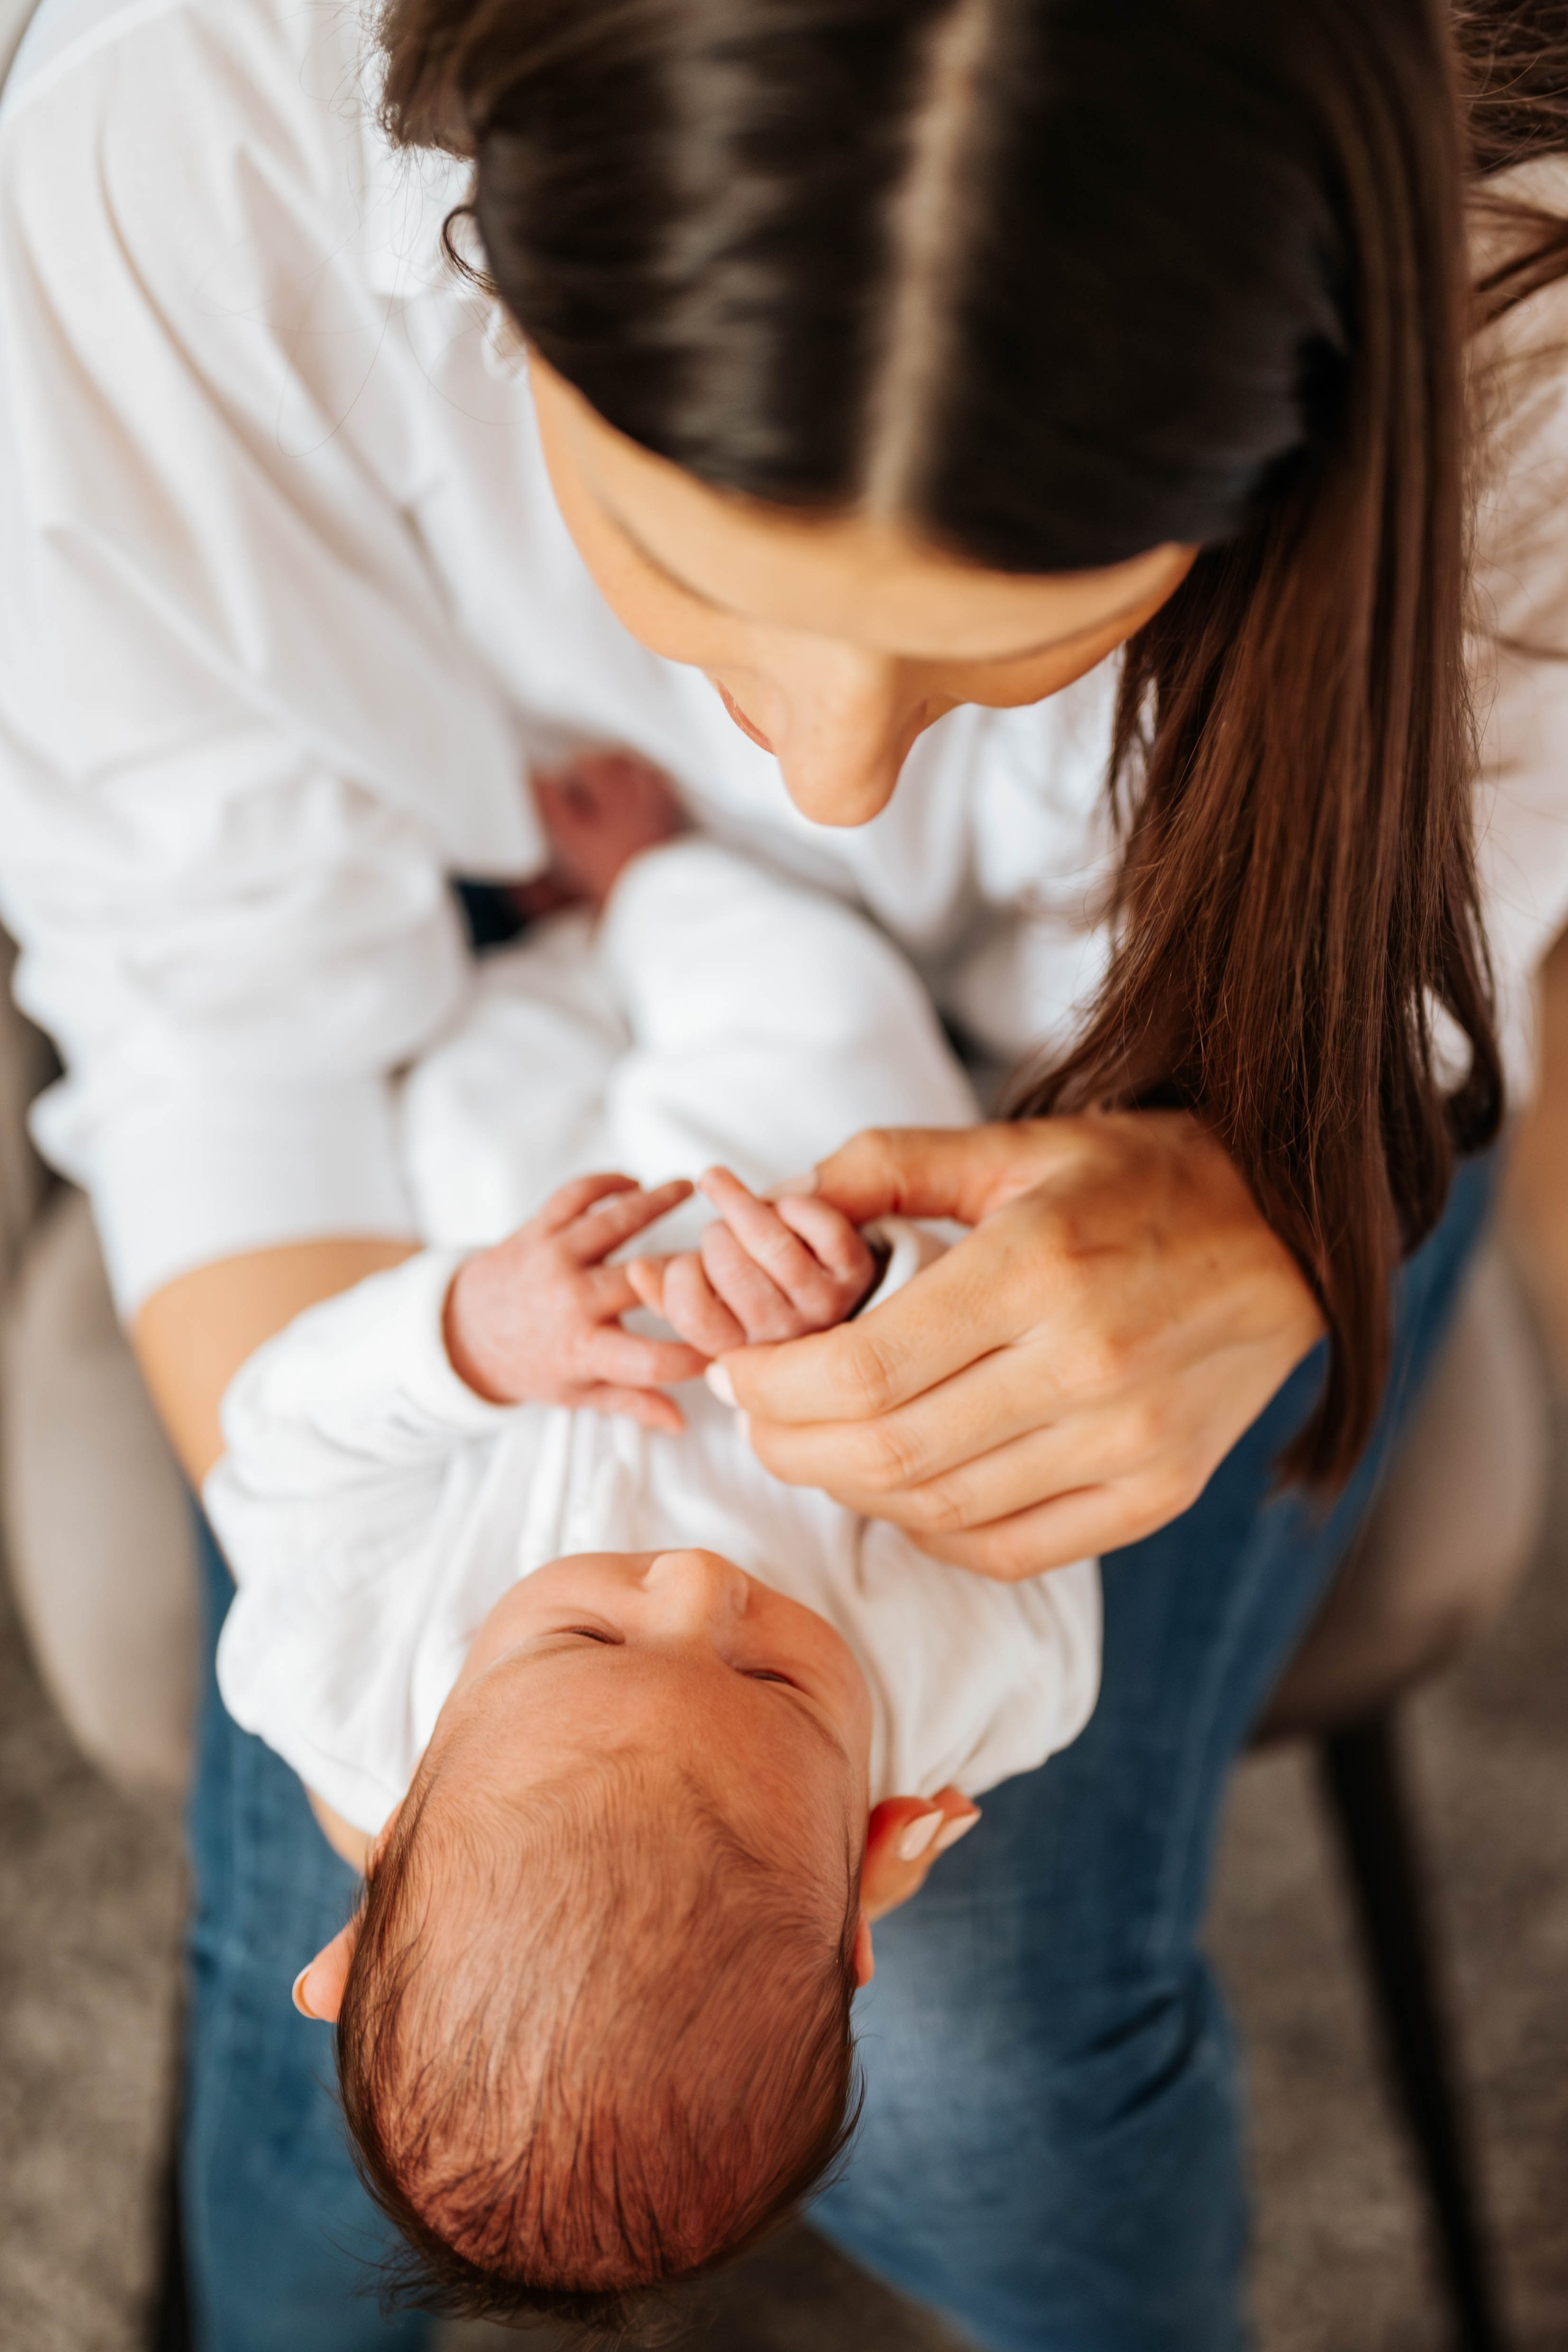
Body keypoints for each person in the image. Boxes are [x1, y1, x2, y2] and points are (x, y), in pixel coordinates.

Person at [1, 0, 1566, 2346]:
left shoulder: (1523, 282)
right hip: (524, 1000)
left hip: (1239, 1054)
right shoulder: (182, 140)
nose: (834, 779)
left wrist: (1264, 1213)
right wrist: (457, 1775)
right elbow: (219, 1001)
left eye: (1022, 640)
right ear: (482, 242)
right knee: (329, 2002)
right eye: (680, 559)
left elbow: (1462, 930)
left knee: (983, 2053)